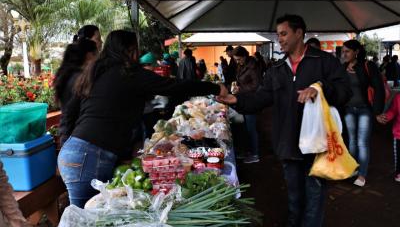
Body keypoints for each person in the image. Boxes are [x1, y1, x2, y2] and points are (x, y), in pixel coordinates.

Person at [57, 30, 227, 208]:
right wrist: (215, 88)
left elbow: (73, 113)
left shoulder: (95, 73)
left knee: (84, 219)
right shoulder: (129, 74)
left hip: (74, 151)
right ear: (130, 50)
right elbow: (174, 86)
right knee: (84, 223)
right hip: (90, 157)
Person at [217, 14, 351, 227]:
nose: (279, 39)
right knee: (294, 191)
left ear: (299, 33)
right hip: (287, 141)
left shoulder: (324, 62)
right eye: (278, 34)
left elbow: (345, 91)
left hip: (317, 144)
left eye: (283, 33)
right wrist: (236, 101)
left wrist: (320, 88)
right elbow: (262, 98)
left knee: (315, 193)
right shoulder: (277, 69)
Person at [342, 40, 385, 187]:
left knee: (362, 142)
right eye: (343, 51)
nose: (344, 54)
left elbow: (378, 88)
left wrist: (377, 111)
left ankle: (362, 174)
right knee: (352, 141)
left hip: (364, 109)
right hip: (348, 109)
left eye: (347, 51)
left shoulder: (368, 66)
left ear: (356, 52)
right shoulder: (343, 67)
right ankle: (353, 169)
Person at [54, 34, 99, 146]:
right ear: (89, 55)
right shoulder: (80, 78)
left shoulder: (67, 74)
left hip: (67, 133)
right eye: (97, 55)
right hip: (76, 137)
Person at [232, 46, 262, 163]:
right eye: (236, 59)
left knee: (251, 128)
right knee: (246, 128)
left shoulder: (253, 66)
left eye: (239, 59)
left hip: (251, 101)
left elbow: (257, 85)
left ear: (245, 56)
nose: (237, 62)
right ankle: (248, 151)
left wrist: (240, 89)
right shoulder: (242, 65)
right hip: (244, 100)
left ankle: (255, 154)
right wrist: (235, 85)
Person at [377, 93, 400, 182]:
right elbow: (393, 111)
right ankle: (398, 172)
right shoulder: (398, 97)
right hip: (398, 133)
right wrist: (386, 117)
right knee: (398, 156)